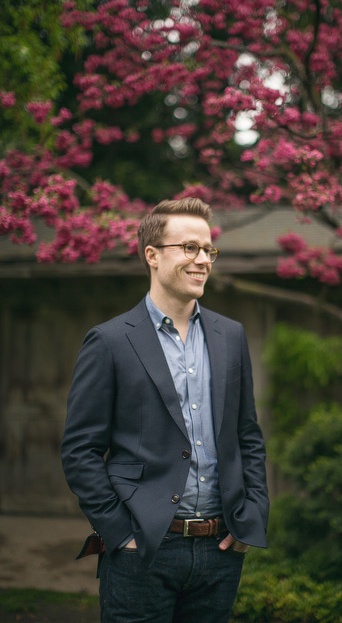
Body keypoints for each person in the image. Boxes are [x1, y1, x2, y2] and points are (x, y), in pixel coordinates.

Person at [61, 197, 269, 622]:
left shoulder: (231, 336)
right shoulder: (110, 340)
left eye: (208, 249)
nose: (202, 260)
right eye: (188, 248)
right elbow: (79, 451)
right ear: (152, 256)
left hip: (220, 549)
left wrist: (253, 517)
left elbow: (247, 436)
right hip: (143, 550)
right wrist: (120, 533)